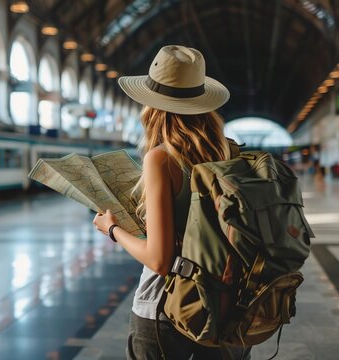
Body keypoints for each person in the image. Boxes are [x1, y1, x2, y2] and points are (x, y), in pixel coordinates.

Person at [93, 45, 250, 359]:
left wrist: (112, 230)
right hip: (230, 305)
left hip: (166, 308)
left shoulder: (162, 159)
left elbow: (160, 260)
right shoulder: (230, 153)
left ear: (153, 106)